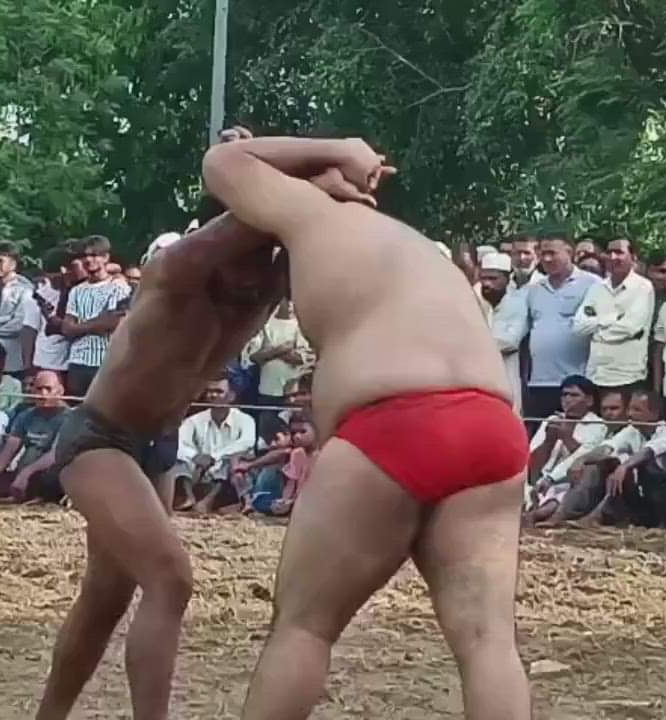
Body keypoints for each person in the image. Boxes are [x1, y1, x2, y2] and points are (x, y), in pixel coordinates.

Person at [202, 137, 531, 720]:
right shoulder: (426, 253)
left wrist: (339, 149)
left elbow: (222, 165)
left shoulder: (312, 215)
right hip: (492, 427)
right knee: (488, 643)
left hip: (394, 422)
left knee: (304, 628)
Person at [34, 187, 288, 717]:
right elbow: (233, 179)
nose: (251, 269)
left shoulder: (268, 280)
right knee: (170, 579)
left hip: (156, 448)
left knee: (105, 597)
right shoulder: (177, 271)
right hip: (100, 437)